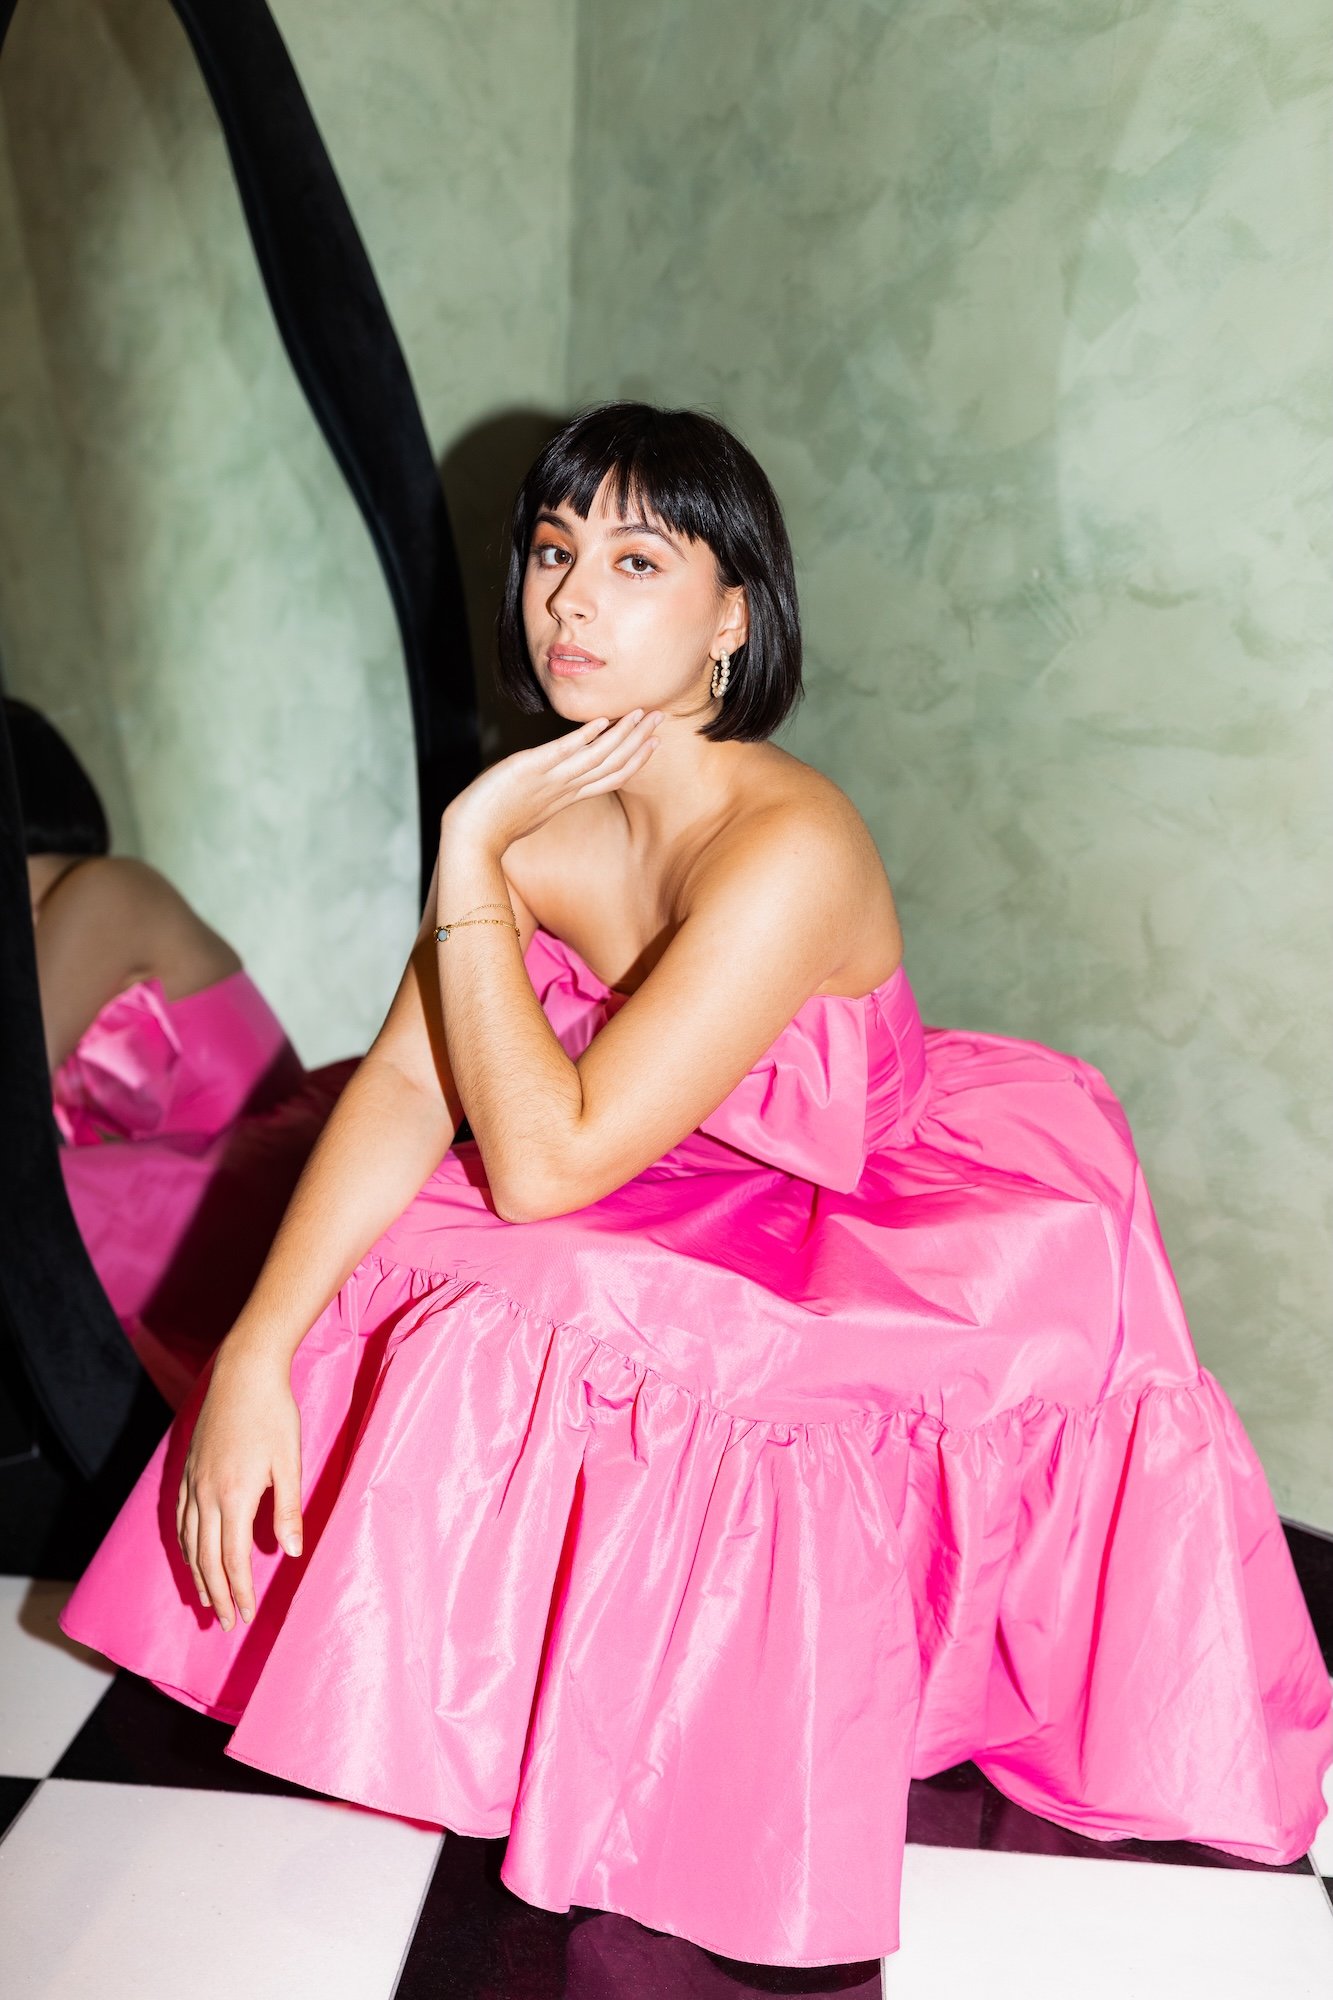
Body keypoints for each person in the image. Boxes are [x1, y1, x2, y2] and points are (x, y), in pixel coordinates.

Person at [58, 404, 1331, 1970]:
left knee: (537, 1268)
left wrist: (466, 848)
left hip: (871, 1209)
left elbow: (542, 1163)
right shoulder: (550, 821)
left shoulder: (784, 842)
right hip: (649, 1170)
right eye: (551, 552)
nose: (570, 599)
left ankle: (710, 1740)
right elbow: (403, 1086)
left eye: (636, 558)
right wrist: (253, 1355)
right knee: (405, 1261)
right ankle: (492, 1704)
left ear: (732, 616)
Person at [9, 697, 359, 1411]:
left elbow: (14, 1086)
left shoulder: (107, 890)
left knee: (25, 1209)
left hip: (250, 1193)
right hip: (184, 1197)